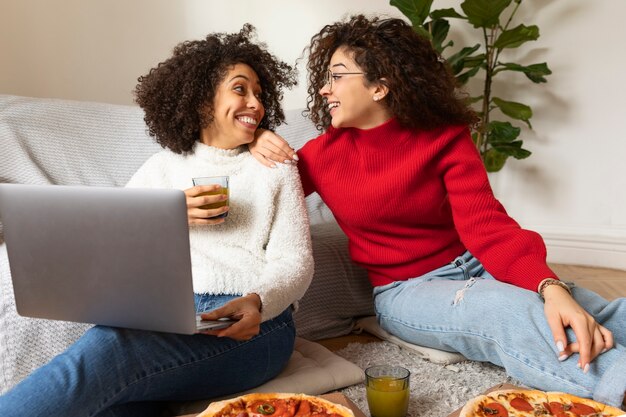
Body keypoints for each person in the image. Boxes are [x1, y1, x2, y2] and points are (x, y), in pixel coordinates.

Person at [250, 15, 626, 408]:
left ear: (380, 85)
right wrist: (254, 141)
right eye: (325, 78)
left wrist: (552, 288)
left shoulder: (444, 135)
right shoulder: (320, 156)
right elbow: (260, 202)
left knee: (589, 307)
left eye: (337, 76)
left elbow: (486, 226)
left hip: (475, 264)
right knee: (508, 312)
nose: (325, 90)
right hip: (407, 291)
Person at [0, 25, 313, 417]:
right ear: (202, 100)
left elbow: (296, 261)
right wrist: (166, 217)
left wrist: (259, 302)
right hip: (166, 316)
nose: (255, 103)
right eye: (240, 89)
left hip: (253, 326)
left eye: (259, 94)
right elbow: (107, 244)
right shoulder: (162, 168)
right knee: (112, 400)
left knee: (108, 354)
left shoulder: (273, 167)